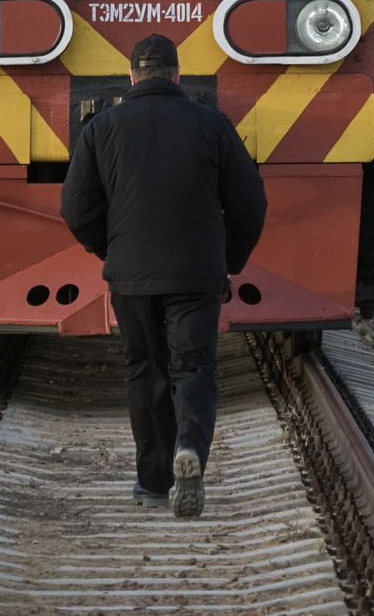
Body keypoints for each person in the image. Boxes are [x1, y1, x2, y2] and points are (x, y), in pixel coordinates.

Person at [60, 33, 266, 518]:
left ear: (131, 77)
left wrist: (108, 248)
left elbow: (74, 207)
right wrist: (228, 260)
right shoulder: (212, 124)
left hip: (131, 275)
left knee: (145, 371)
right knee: (193, 368)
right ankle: (189, 449)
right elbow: (250, 203)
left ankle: (153, 482)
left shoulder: (101, 127)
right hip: (197, 274)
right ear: (177, 76)